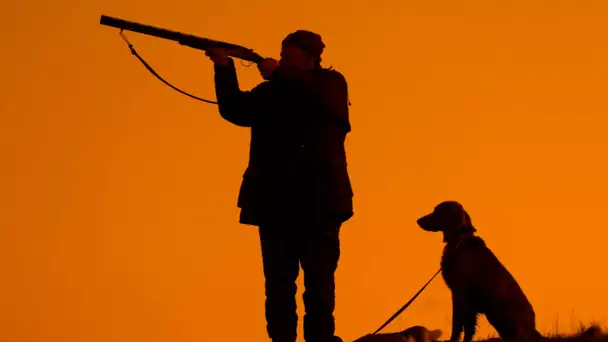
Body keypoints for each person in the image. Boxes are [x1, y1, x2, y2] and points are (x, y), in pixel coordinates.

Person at [205, 30, 353, 342]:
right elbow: (235, 110)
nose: (280, 59)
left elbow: (317, 100)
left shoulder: (331, 84)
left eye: (287, 55)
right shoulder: (272, 92)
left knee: (319, 283)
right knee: (278, 284)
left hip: (320, 202)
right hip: (275, 203)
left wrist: (280, 74)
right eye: (282, 56)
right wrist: (222, 66)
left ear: (308, 57)